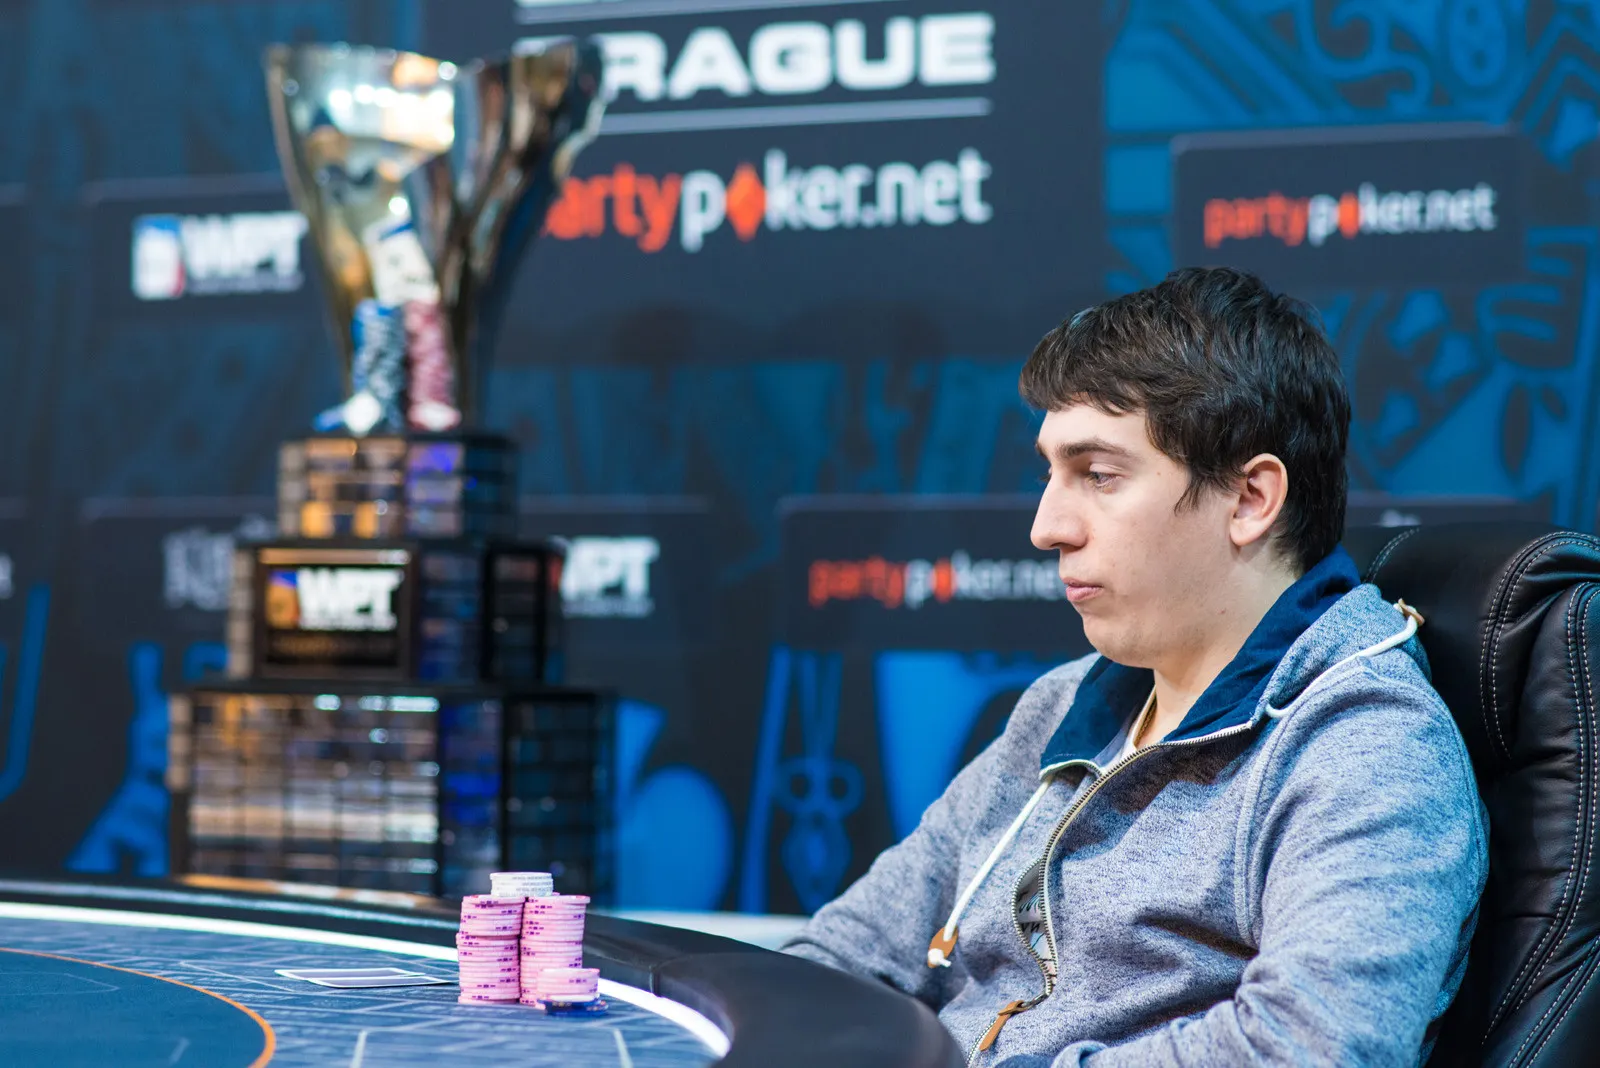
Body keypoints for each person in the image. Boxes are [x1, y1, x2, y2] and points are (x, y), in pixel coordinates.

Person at [781, 267, 1488, 1067]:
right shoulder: (1061, 707)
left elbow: (1311, 1050)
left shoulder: (1367, 749)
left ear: (1250, 499)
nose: (1047, 526)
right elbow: (836, 958)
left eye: (1099, 475)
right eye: (1050, 473)